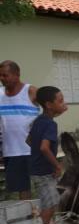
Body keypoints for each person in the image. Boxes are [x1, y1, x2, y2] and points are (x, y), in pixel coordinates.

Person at [28, 86, 69, 224]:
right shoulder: (50, 124)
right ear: (49, 105)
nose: (64, 103)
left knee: (51, 203)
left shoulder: (39, 120)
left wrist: (37, 157)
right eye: (60, 101)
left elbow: (29, 140)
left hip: (38, 169)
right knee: (49, 207)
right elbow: (45, 148)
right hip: (45, 172)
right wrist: (57, 166)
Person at [0, 60, 38, 199]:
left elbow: (51, 107)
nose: (2, 79)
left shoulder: (31, 91)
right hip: (10, 150)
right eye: (0, 76)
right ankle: (26, 216)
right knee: (20, 189)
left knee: (37, 189)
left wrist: (43, 131)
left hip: (30, 149)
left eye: (5, 75)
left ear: (17, 74)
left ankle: (39, 216)